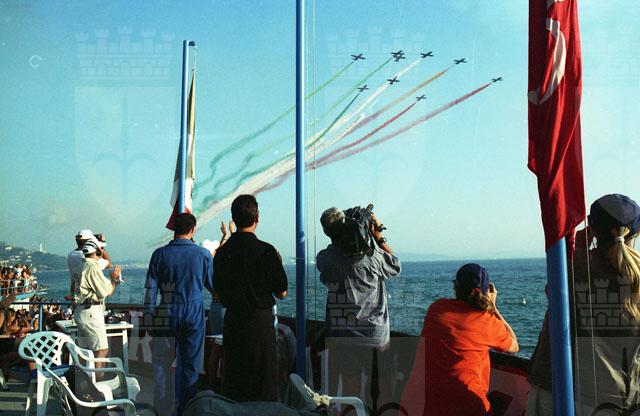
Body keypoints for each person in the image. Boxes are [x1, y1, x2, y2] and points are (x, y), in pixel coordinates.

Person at [528, 193, 640, 415]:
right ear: (635, 233)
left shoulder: (571, 267)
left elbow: (555, 295)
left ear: (592, 229)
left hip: (557, 392)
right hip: (617, 402)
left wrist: (574, 250)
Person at [400, 263, 519, 416]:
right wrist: (494, 308)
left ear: (456, 286)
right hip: (468, 405)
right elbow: (514, 346)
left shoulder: (437, 309)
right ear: (485, 292)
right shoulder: (487, 322)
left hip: (424, 404)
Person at [316, 206, 401, 397]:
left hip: (343, 336)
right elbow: (396, 265)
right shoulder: (373, 258)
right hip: (375, 334)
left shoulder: (325, 258)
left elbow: (331, 258)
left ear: (327, 232)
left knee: (350, 390)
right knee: (381, 390)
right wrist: (378, 236)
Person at [213, 194, 288, 402]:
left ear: (234, 219)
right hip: (260, 325)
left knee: (235, 386)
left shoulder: (222, 253)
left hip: (233, 322)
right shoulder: (266, 251)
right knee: (263, 385)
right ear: (257, 218)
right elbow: (282, 292)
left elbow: (218, 291)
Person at [145, 212, 214, 415]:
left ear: (174, 229)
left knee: (161, 367)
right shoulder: (203, 255)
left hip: (165, 311)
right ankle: (187, 409)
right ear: (193, 230)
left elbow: (151, 290)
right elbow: (213, 286)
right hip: (193, 311)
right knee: (191, 367)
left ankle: (162, 410)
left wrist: (149, 317)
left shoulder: (159, 255)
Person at [73, 237, 122, 378]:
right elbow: (106, 292)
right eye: (101, 248)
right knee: (101, 350)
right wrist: (114, 279)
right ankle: (98, 384)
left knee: (85, 352)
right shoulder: (92, 268)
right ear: (97, 251)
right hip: (91, 313)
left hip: (80, 312)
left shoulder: (79, 267)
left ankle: (84, 384)